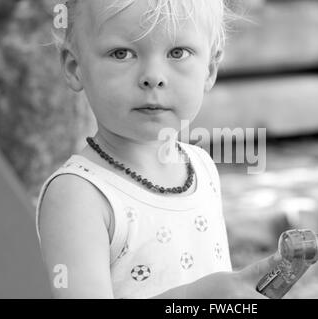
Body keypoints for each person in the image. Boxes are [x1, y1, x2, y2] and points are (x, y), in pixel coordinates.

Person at [36, 0, 279, 299]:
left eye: (178, 53)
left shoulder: (201, 166)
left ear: (210, 67)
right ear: (76, 68)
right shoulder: (78, 195)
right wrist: (196, 299)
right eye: (121, 53)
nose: (153, 76)